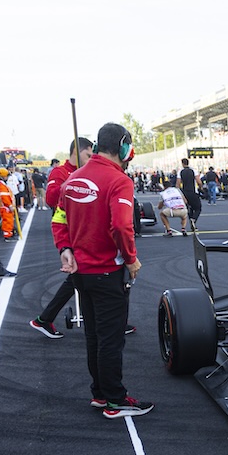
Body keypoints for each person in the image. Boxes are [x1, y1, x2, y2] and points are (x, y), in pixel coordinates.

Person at [53, 122, 151, 418]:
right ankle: (114, 399)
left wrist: (64, 248)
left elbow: (59, 219)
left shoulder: (73, 180)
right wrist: (131, 258)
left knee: (94, 336)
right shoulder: (119, 181)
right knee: (111, 338)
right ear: (124, 147)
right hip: (108, 272)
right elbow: (121, 225)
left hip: (80, 273)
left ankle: (99, 393)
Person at [32, 137, 93, 339]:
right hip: (69, 232)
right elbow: (50, 199)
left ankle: (44, 319)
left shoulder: (89, 171)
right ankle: (44, 319)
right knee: (79, 275)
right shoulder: (60, 172)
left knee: (78, 277)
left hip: (85, 230)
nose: (90, 159)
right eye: (87, 154)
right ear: (76, 151)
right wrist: (72, 182)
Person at [0, 168, 16, 238]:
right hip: (5, 206)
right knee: (8, 221)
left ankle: (8, 233)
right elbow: (4, 197)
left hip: (3, 206)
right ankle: (7, 235)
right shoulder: (1, 185)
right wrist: (10, 205)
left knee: (7, 221)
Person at [178, 158, 201, 228]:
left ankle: (191, 221)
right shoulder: (193, 170)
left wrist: (180, 192)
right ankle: (193, 219)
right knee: (198, 208)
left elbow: (178, 184)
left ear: (182, 163)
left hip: (185, 193)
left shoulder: (180, 172)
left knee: (189, 208)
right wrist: (201, 187)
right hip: (193, 192)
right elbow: (199, 181)